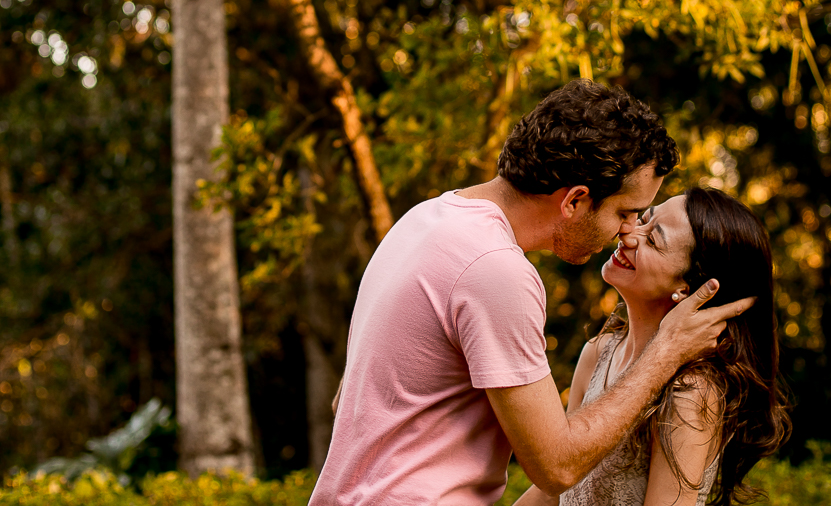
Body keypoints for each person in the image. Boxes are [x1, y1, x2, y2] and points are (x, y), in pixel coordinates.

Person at [309, 81, 755, 505]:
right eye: (626, 211)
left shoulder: (425, 220)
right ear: (575, 200)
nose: (626, 231)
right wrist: (666, 351)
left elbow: (350, 395)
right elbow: (556, 469)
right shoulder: (496, 270)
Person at [515, 187, 790, 506]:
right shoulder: (598, 351)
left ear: (687, 288)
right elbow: (556, 486)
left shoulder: (691, 391)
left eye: (653, 239)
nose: (629, 234)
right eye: (642, 219)